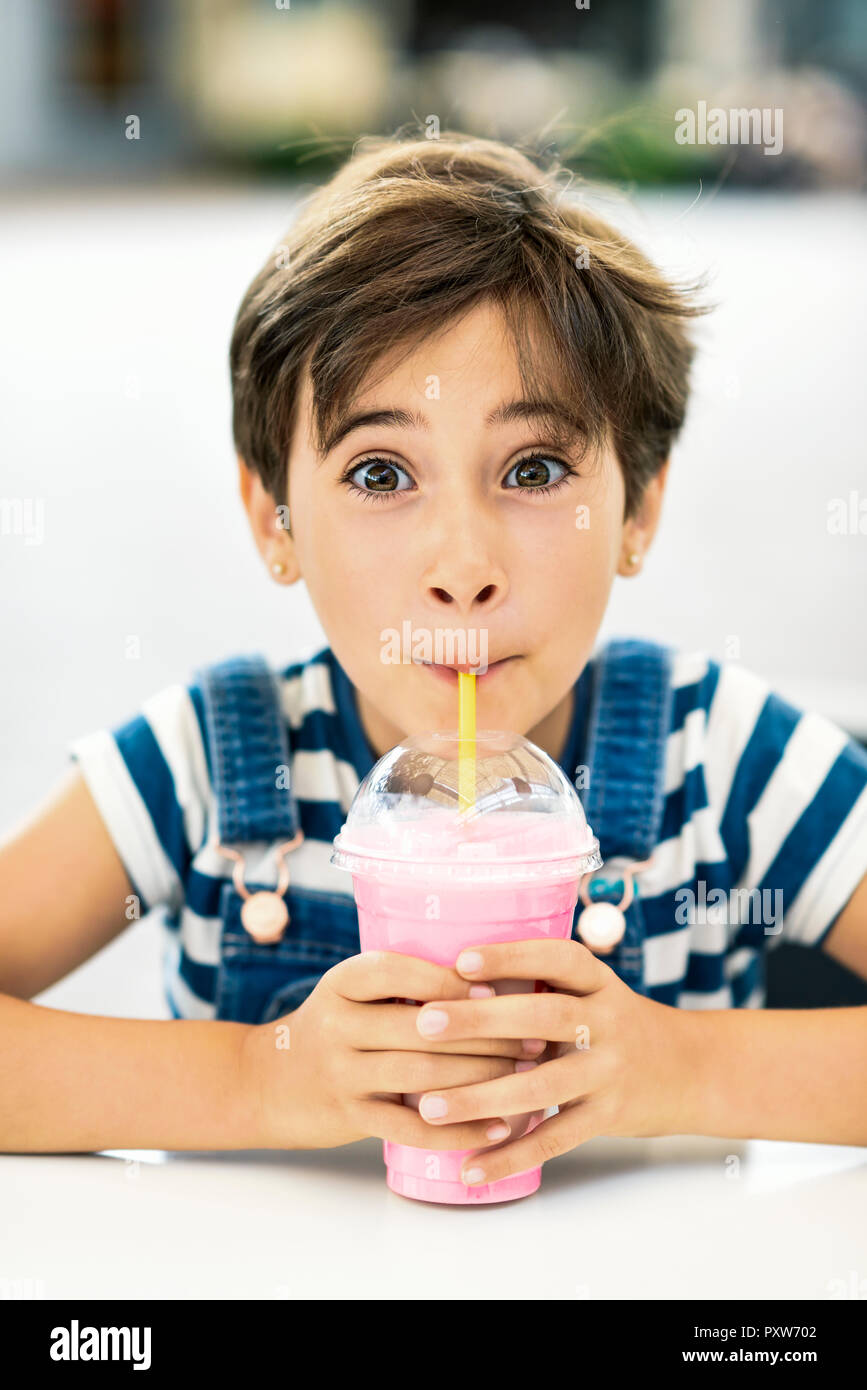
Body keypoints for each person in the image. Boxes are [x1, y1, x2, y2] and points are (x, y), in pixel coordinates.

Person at [3, 132, 866, 1182]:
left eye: (536, 467)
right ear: (275, 519)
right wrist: (258, 1077)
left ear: (638, 504)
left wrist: (678, 1065)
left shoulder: (728, 760)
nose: (464, 565)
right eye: (379, 474)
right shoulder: (207, 767)